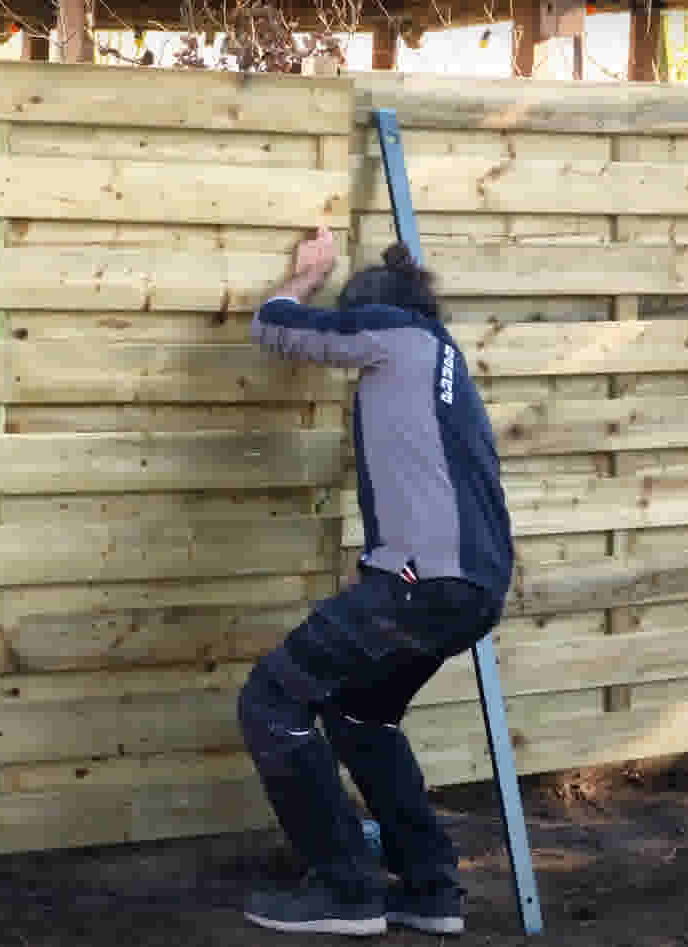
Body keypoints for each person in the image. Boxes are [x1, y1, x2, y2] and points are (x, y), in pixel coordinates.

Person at [237, 229, 514, 937]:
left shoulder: (393, 331)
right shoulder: (440, 362)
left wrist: (303, 279)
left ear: (372, 314)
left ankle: (345, 889)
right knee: (360, 718)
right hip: (469, 587)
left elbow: (277, 327)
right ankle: (429, 890)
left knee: (271, 700)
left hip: (416, 584)